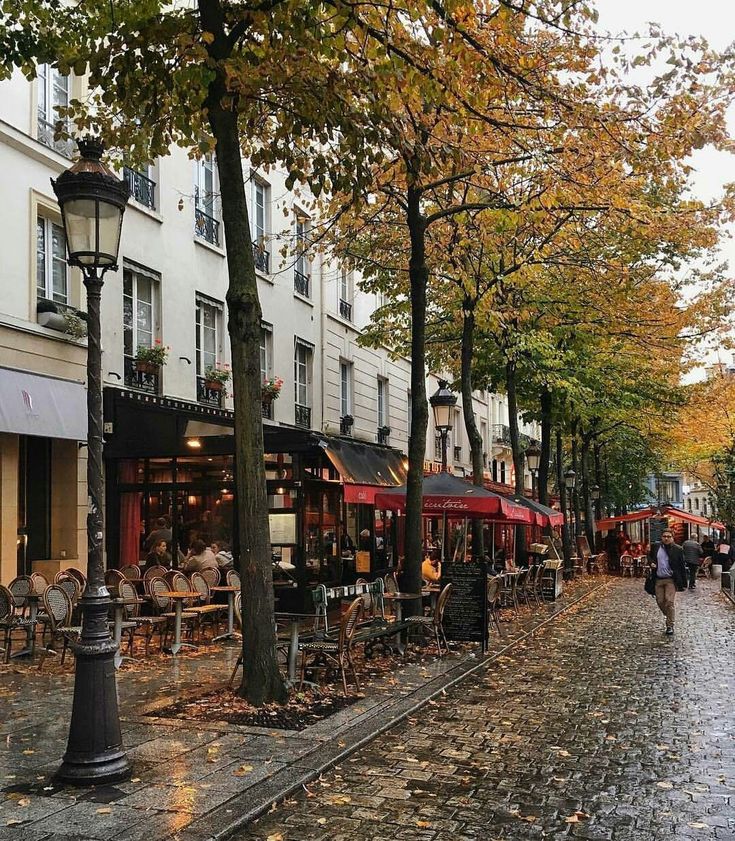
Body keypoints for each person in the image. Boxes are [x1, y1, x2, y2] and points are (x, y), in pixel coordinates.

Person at [648, 529, 687, 635]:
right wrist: (651, 563)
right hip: (658, 579)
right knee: (660, 601)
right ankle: (669, 615)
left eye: (669, 536)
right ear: (661, 537)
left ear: (672, 538)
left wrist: (684, 582)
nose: (666, 538)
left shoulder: (677, 549)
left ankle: (670, 625)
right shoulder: (656, 547)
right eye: (664, 536)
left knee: (669, 602)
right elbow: (650, 557)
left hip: (670, 579)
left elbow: (681, 566)